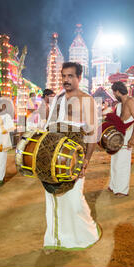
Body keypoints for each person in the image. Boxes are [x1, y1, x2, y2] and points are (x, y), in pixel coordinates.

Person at [43, 62, 101, 252]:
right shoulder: (58, 99)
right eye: (64, 76)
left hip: (75, 156)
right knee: (53, 198)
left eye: (70, 76)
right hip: (54, 156)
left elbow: (92, 134)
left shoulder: (87, 100)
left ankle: (84, 234)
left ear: (79, 78)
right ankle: (54, 239)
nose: (66, 80)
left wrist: (86, 161)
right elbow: (50, 127)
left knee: (74, 199)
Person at [108, 81, 134, 197]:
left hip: (127, 139)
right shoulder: (119, 105)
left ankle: (122, 189)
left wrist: (133, 138)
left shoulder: (131, 102)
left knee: (123, 164)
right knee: (114, 162)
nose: (114, 95)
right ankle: (113, 185)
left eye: (113, 92)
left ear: (117, 92)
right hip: (117, 139)